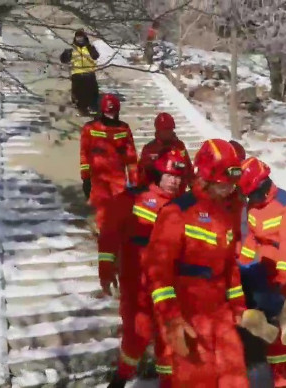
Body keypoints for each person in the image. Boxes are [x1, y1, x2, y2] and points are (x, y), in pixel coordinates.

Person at [143, 139, 278, 387]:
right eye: (223, 184)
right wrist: (171, 317)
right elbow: (158, 271)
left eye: (231, 185)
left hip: (220, 312)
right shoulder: (177, 212)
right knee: (196, 379)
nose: (229, 190)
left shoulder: (224, 215)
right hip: (188, 312)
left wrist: (238, 308)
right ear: (206, 177)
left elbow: (230, 270)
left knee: (235, 376)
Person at [98, 149, 188, 388]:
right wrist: (106, 266)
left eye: (178, 177)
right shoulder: (134, 198)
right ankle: (120, 380)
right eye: (169, 175)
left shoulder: (184, 207)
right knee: (137, 335)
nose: (174, 181)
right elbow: (109, 230)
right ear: (158, 174)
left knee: (168, 341)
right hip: (135, 282)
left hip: (168, 286)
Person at [236, 157, 286, 388]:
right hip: (265, 267)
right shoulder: (253, 205)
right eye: (249, 196)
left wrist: (282, 277)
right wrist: (243, 265)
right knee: (270, 318)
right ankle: (278, 369)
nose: (252, 200)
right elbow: (252, 239)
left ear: (264, 185)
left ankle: (284, 374)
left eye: (254, 194)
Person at [80, 94, 138, 230]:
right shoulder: (90, 128)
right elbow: (84, 154)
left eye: (113, 112)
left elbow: (131, 157)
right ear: (102, 111)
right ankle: (104, 237)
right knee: (102, 208)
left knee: (120, 208)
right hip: (98, 176)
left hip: (118, 177)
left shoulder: (124, 129)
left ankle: (116, 237)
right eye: (108, 112)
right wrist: (86, 178)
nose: (111, 115)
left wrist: (135, 181)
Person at [138, 112, 193, 193]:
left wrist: (192, 185)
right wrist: (151, 161)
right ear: (158, 130)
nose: (167, 132)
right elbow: (141, 171)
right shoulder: (149, 148)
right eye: (164, 130)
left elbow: (187, 167)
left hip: (177, 192)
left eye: (169, 129)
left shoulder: (179, 146)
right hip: (156, 193)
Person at [59, 29, 100, 116]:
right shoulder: (72, 49)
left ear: (85, 37)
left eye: (81, 37)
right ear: (75, 38)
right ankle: (81, 109)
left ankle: (93, 107)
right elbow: (63, 60)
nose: (80, 39)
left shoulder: (90, 48)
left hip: (89, 73)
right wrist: (66, 54)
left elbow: (96, 56)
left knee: (92, 92)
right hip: (77, 73)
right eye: (78, 37)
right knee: (78, 93)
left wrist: (90, 49)